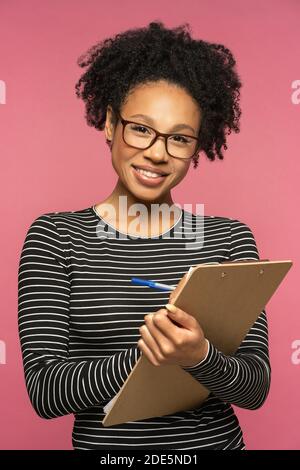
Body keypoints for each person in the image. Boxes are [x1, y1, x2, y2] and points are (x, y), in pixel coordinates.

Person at [17, 21, 271, 450]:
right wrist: (151, 355)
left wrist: (199, 356)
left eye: (179, 138)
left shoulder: (228, 240)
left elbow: (255, 388)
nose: (157, 152)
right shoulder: (57, 237)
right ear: (111, 123)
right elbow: (45, 391)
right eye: (141, 128)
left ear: (197, 146)